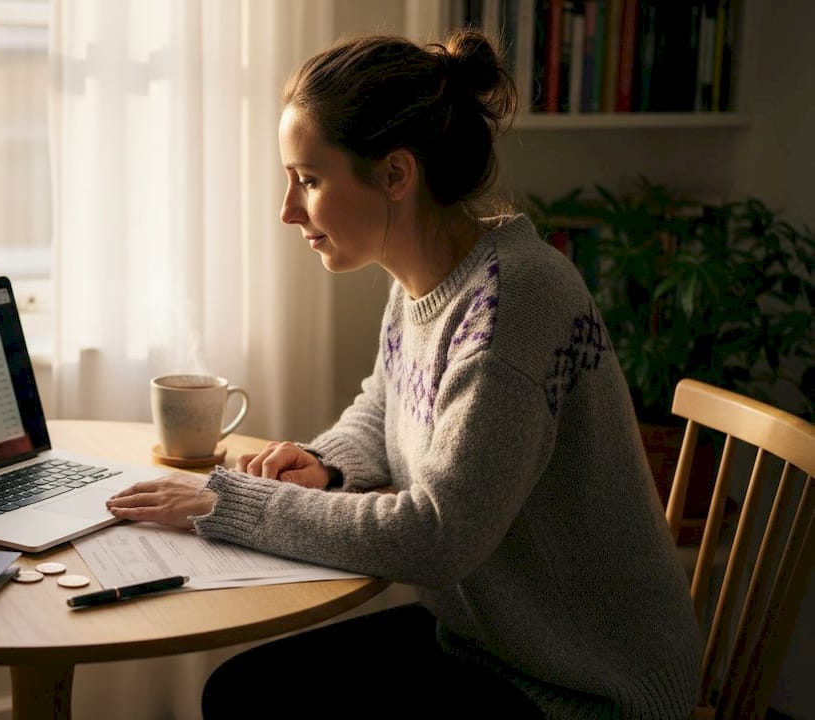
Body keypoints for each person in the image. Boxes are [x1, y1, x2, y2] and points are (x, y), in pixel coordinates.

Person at [106, 29, 702, 719]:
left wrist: (228, 505)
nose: (287, 209)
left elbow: (436, 534)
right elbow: (382, 403)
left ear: (395, 174)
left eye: (309, 179)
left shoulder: (517, 301)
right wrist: (326, 464)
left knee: (251, 699)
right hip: (488, 643)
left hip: (586, 683)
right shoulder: (425, 282)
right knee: (242, 690)